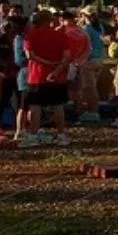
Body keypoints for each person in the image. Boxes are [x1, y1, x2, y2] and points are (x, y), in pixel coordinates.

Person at [19, 8, 74, 147]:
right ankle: (61, 135)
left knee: (35, 106)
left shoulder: (31, 35)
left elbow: (30, 55)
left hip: (37, 76)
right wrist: (57, 70)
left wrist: (47, 63)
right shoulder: (60, 35)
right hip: (57, 77)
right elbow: (67, 56)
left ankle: (33, 136)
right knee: (58, 106)